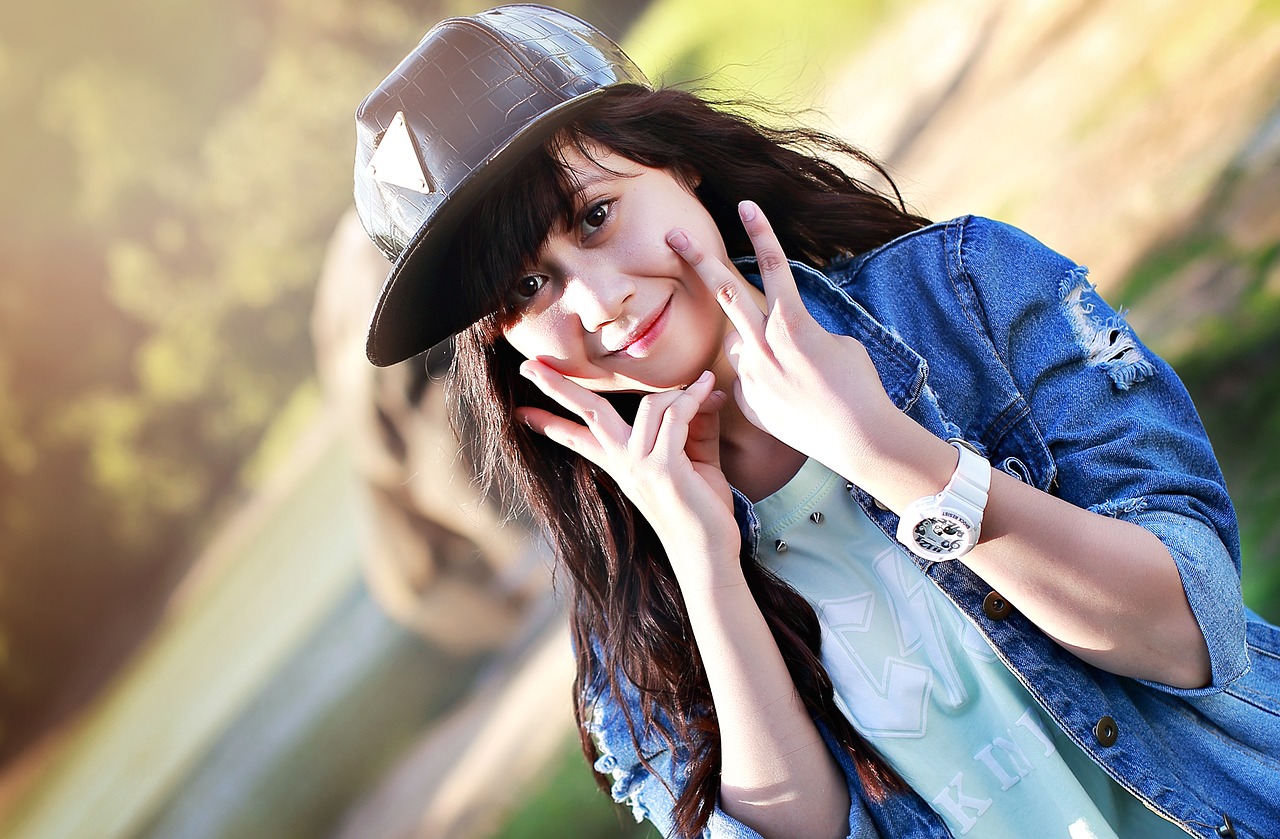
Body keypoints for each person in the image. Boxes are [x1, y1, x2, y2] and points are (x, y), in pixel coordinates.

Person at [351, 5, 1279, 838]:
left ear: (675, 164)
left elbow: (1189, 633)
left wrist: (895, 457)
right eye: (526, 286)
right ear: (504, 342)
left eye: (596, 216)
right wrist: (705, 568)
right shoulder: (626, 614)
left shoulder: (967, 295)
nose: (597, 301)